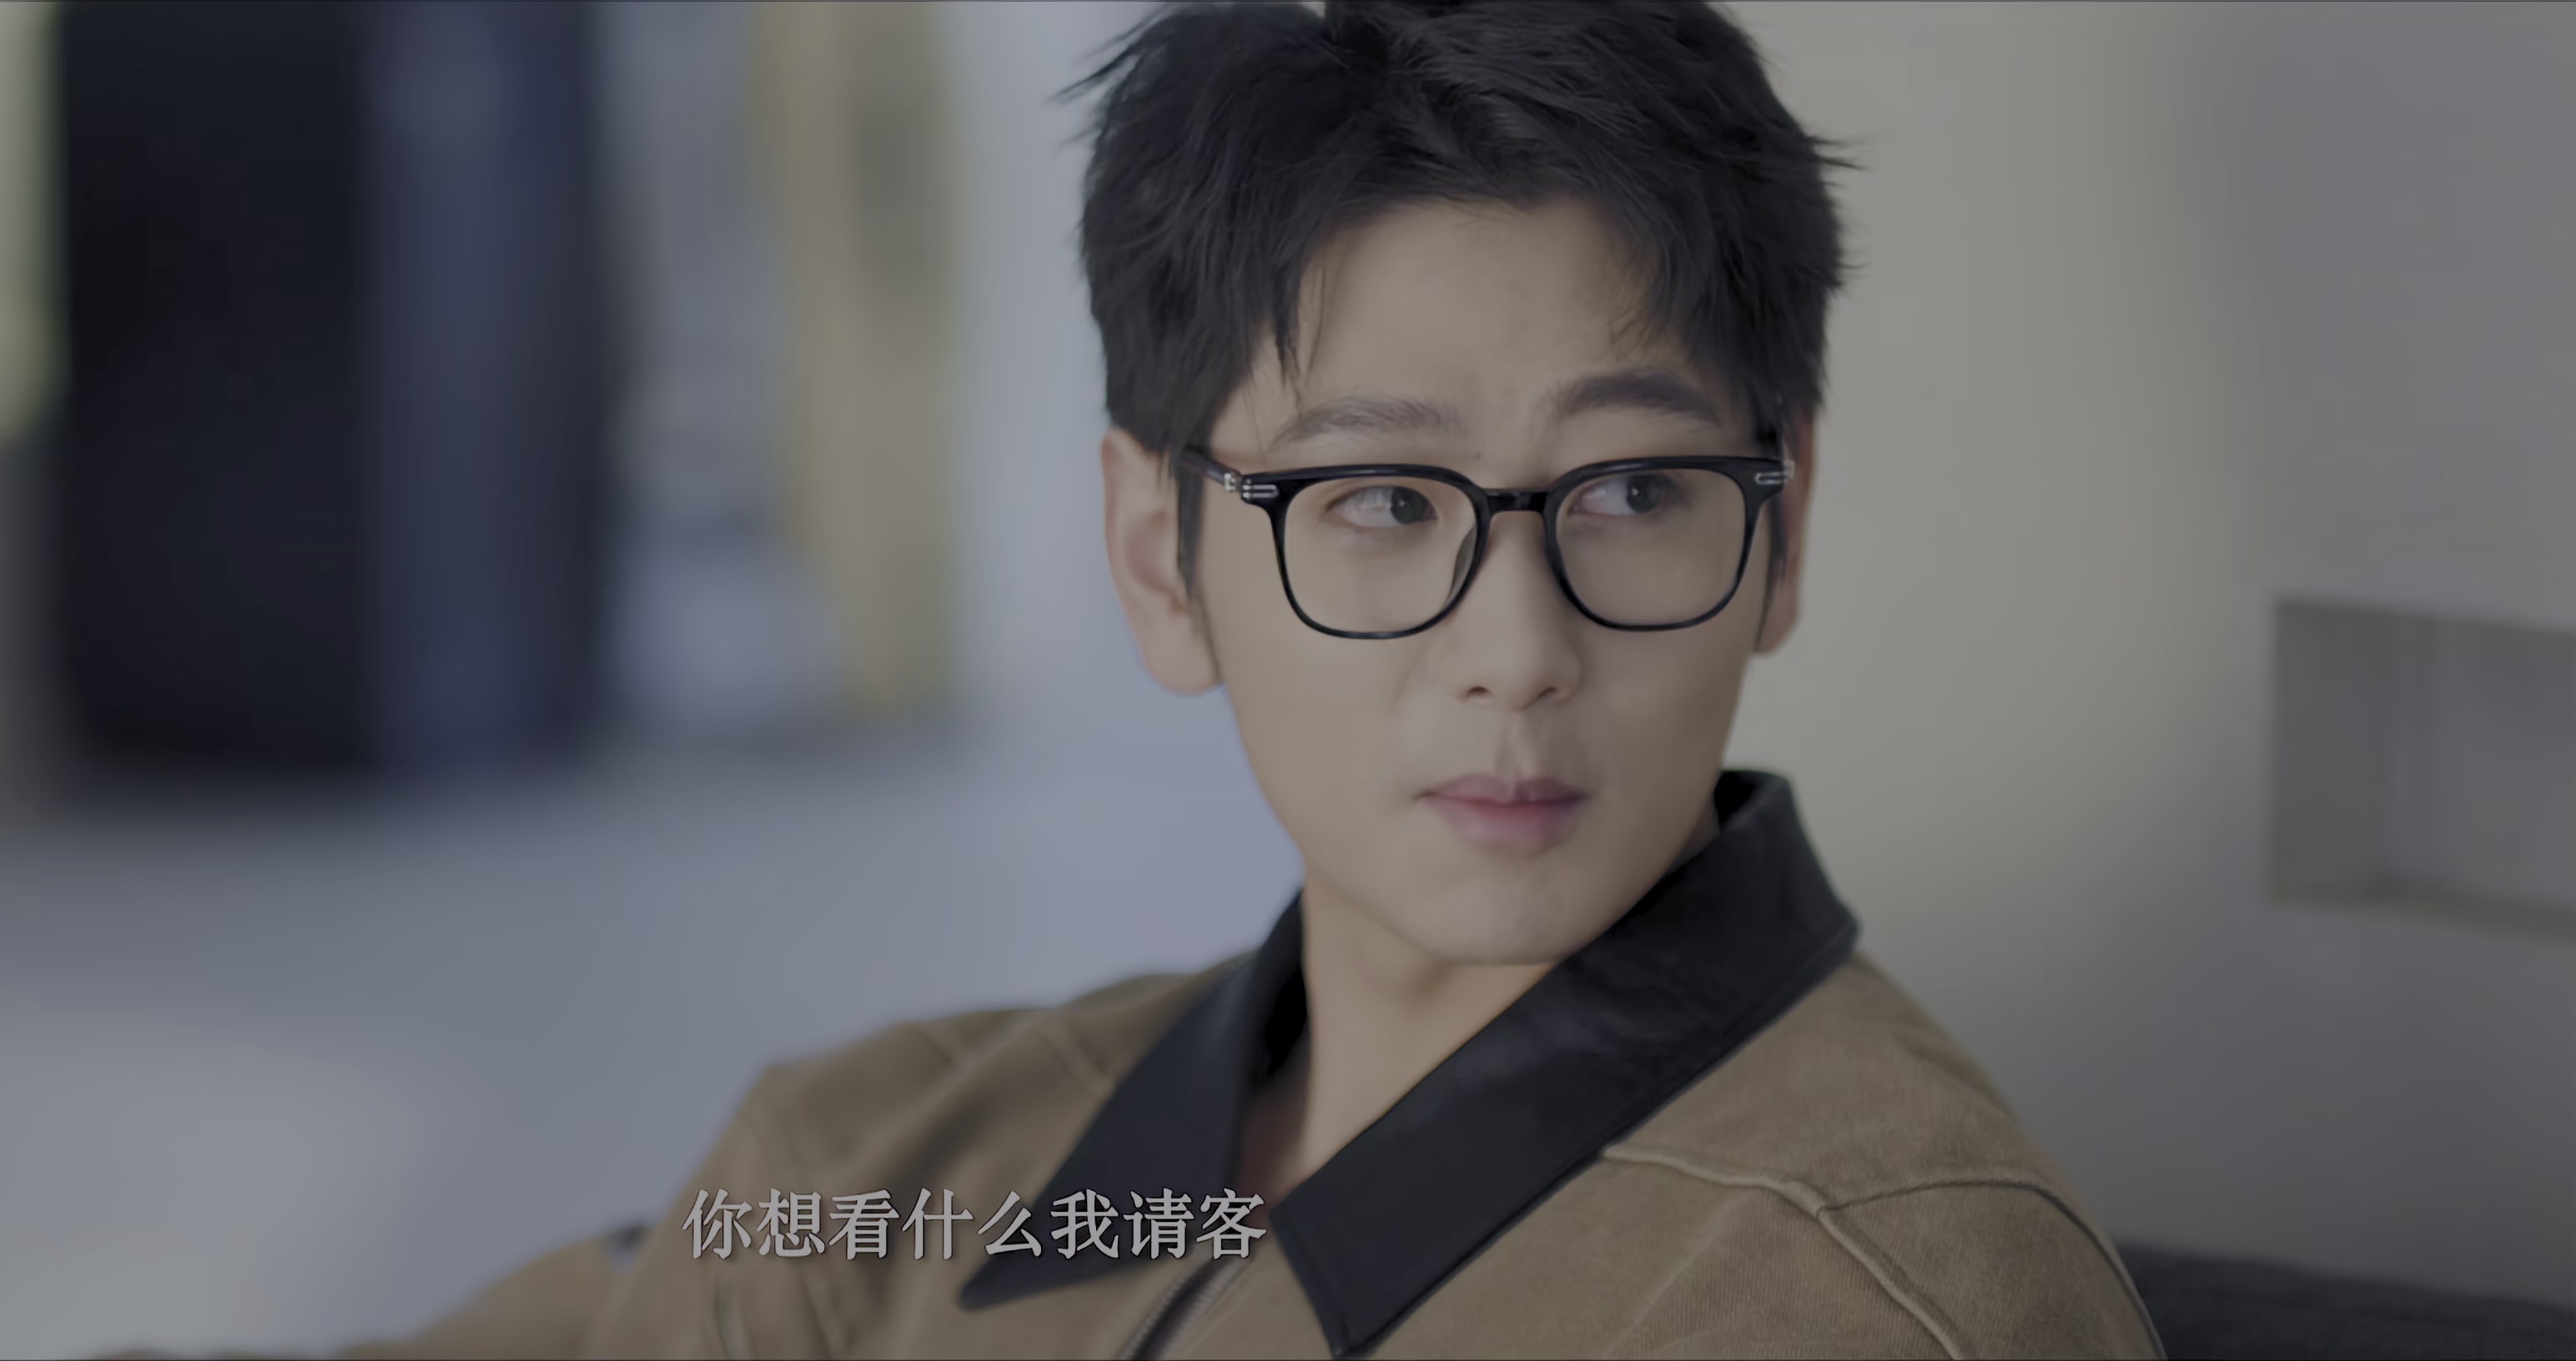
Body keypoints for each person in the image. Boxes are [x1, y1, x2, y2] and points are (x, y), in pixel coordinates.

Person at [355, 1, 2161, 1355]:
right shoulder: (868, 1162)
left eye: (1631, 493)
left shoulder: (1863, 1297)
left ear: (1783, 528)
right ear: (1163, 559)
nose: (1517, 655)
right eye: (1379, 501)